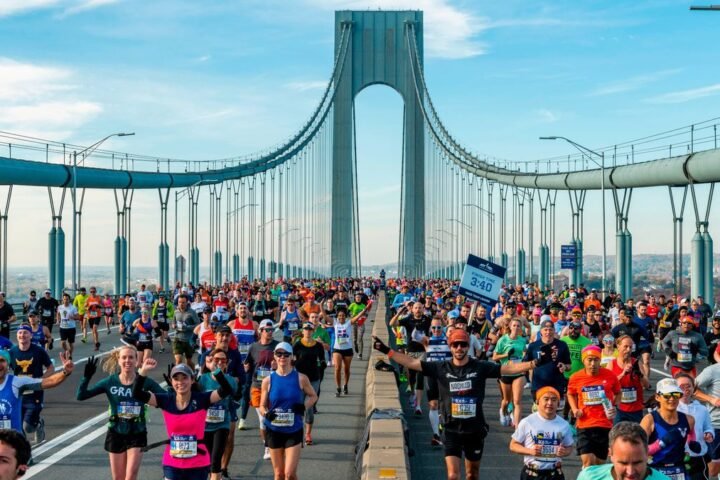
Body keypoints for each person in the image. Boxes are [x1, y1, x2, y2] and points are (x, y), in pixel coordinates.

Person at [373, 328, 539, 480]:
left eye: (463, 345)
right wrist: (388, 351)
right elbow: (411, 363)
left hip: (474, 430)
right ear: (450, 347)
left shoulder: (480, 367)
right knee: (453, 475)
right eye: (455, 345)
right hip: (451, 429)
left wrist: (533, 364)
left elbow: (508, 369)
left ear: (468, 346)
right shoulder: (441, 367)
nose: (459, 348)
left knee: (472, 474)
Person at [132, 358, 234, 480]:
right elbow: (136, 394)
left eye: (184, 378)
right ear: (171, 381)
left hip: (198, 462)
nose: (180, 382)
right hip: (172, 463)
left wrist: (216, 371)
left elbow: (227, 390)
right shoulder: (165, 400)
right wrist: (143, 371)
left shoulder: (202, 399)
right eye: (176, 379)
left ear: (192, 380)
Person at [76, 346, 165, 480]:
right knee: (118, 478)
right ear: (119, 360)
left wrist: (172, 386)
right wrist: (86, 377)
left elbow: (166, 399)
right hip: (116, 432)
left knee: (130, 477)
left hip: (137, 432)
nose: (127, 361)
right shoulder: (110, 382)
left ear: (137, 360)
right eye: (124, 357)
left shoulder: (145, 382)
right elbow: (81, 396)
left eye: (131, 357)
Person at [260, 342, 318, 480]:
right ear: (274, 356)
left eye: (286, 354)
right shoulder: (268, 380)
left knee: (289, 474)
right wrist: (266, 413)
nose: (282, 357)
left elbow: (313, 396)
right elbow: (262, 406)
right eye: (279, 354)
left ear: (292, 357)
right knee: (279, 474)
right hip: (274, 430)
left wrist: (304, 406)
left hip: (293, 430)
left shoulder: (301, 378)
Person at [567, 345, 621, 468]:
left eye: (596, 360)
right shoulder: (576, 377)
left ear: (600, 360)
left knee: (600, 463)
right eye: (589, 360)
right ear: (583, 360)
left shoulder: (610, 375)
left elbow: (618, 392)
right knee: (588, 462)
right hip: (585, 424)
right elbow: (570, 394)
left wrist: (614, 406)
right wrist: (575, 409)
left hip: (604, 424)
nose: (592, 364)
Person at [0, 349, 74, 437]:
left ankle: (38, 425)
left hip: (14, 442)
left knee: (28, 427)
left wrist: (65, 372)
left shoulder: (16, 382)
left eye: (2, 361)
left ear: (8, 364)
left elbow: (48, 381)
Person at [509, 387, 574, 480]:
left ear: (558, 404)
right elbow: (513, 445)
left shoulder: (564, 425)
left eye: (554, 400)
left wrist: (564, 452)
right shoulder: (527, 422)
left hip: (555, 474)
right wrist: (531, 451)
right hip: (532, 474)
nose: (550, 403)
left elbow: (569, 447)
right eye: (546, 399)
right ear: (537, 402)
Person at [641, 378, 700, 479]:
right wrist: (660, 444)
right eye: (667, 395)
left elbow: (691, 436)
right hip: (655, 471)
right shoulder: (649, 420)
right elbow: (638, 451)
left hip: (679, 470)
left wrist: (693, 443)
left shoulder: (689, 419)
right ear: (657, 397)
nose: (672, 399)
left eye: (675, 394)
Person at [577, 421, 673, 479]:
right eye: (623, 463)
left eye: (637, 463)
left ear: (647, 453)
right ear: (610, 454)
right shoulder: (589, 477)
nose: (630, 472)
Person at [198, 348, 238, 480]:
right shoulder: (202, 379)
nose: (220, 362)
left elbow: (231, 392)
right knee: (206, 461)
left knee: (215, 461)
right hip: (204, 425)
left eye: (223, 360)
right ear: (210, 360)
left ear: (227, 363)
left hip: (222, 425)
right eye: (217, 359)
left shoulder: (230, 380)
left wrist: (217, 372)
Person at [10, 324, 54, 443]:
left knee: (27, 427)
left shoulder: (38, 351)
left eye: (25, 333)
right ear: (17, 335)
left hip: (35, 393)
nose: (22, 335)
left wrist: (41, 381)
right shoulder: (12, 352)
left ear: (30, 335)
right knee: (17, 426)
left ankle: (38, 424)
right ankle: (25, 454)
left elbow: (50, 368)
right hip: (18, 394)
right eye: (20, 333)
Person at [245, 319, 279, 460]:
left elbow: (288, 363)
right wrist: (245, 368)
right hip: (257, 387)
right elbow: (248, 364)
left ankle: (272, 443)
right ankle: (267, 446)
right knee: (263, 418)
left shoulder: (278, 346)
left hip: (274, 387)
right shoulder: (253, 347)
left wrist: (277, 366)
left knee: (269, 418)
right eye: (267, 330)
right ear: (261, 331)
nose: (270, 333)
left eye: (271, 330)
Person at [676, 372, 714, 480]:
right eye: (681, 386)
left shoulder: (702, 409)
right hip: (677, 457)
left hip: (698, 456)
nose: (686, 389)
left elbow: (708, 427)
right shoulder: (670, 409)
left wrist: (709, 434)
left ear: (694, 388)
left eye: (688, 386)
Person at [292, 323, 325, 445]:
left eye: (310, 329)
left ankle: (308, 434)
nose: (308, 331)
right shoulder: (298, 344)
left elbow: (322, 359)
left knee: (309, 407)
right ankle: (298, 433)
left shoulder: (318, 345)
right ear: (303, 330)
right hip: (300, 378)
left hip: (314, 378)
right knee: (300, 405)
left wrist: (322, 364)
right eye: (306, 329)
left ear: (313, 330)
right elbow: (292, 359)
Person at [493, 318, 528, 428]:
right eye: (514, 325)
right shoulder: (503, 340)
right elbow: (494, 357)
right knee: (507, 400)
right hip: (506, 372)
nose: (516, 328)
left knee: (517, 401)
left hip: (518, 372)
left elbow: (524, 354)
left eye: (518, 326)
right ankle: (503, 411)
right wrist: (506, 355)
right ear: (510, 327)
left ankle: (517, 428)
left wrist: (524, 358)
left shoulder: (522, 340)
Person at [608, 335, 649, 424]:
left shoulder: (637, 363)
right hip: (618, 408)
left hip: (636, 409)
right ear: (618, 346)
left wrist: (640, 375)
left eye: (630, 347)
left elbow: (647, 385)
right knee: (617, 436)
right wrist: (623, 374)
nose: (628, 350)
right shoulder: (611, 364)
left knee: (635, 436)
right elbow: (608, 386)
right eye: (625, 346)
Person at [330, 308, 357, 398]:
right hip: (337, 349)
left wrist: (365, 309)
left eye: (343, 316)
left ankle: (345, 385)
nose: (341, 317)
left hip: (348, 349)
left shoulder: (349, 323)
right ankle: (338, 388)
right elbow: (325, 317)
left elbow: (357, 317)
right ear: (337, 317)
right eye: (340, 316)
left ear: (345, 317)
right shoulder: (335, 323)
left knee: (346, 369)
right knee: (337, 368)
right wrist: (321, 305)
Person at [173, 294, 199, 368]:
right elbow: (173, 322)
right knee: (178, 360)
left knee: (188, 362)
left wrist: (187, 327)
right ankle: (177, 377)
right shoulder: (176, 312)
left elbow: (198, 325)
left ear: (187, 302)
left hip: (189, 340)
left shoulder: (192, 312)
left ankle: (193, 375)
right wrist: (174, 325)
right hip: (178, 338)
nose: (181, 304)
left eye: (183, 302)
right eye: (179, 302)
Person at [56, 293, 78, 359]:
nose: (66, 300)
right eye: (64, 299)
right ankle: (67, 351)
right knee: (63, 343)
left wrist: (73, 317)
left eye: (67, 299)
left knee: (70, 343)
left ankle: (70, 355)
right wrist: (58, 320)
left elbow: (78, 317)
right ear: (62, 300)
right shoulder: (60, 307)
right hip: (63, 327)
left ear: (69, 300)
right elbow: (58, 313)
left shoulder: (73, 307)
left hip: (71, 328)